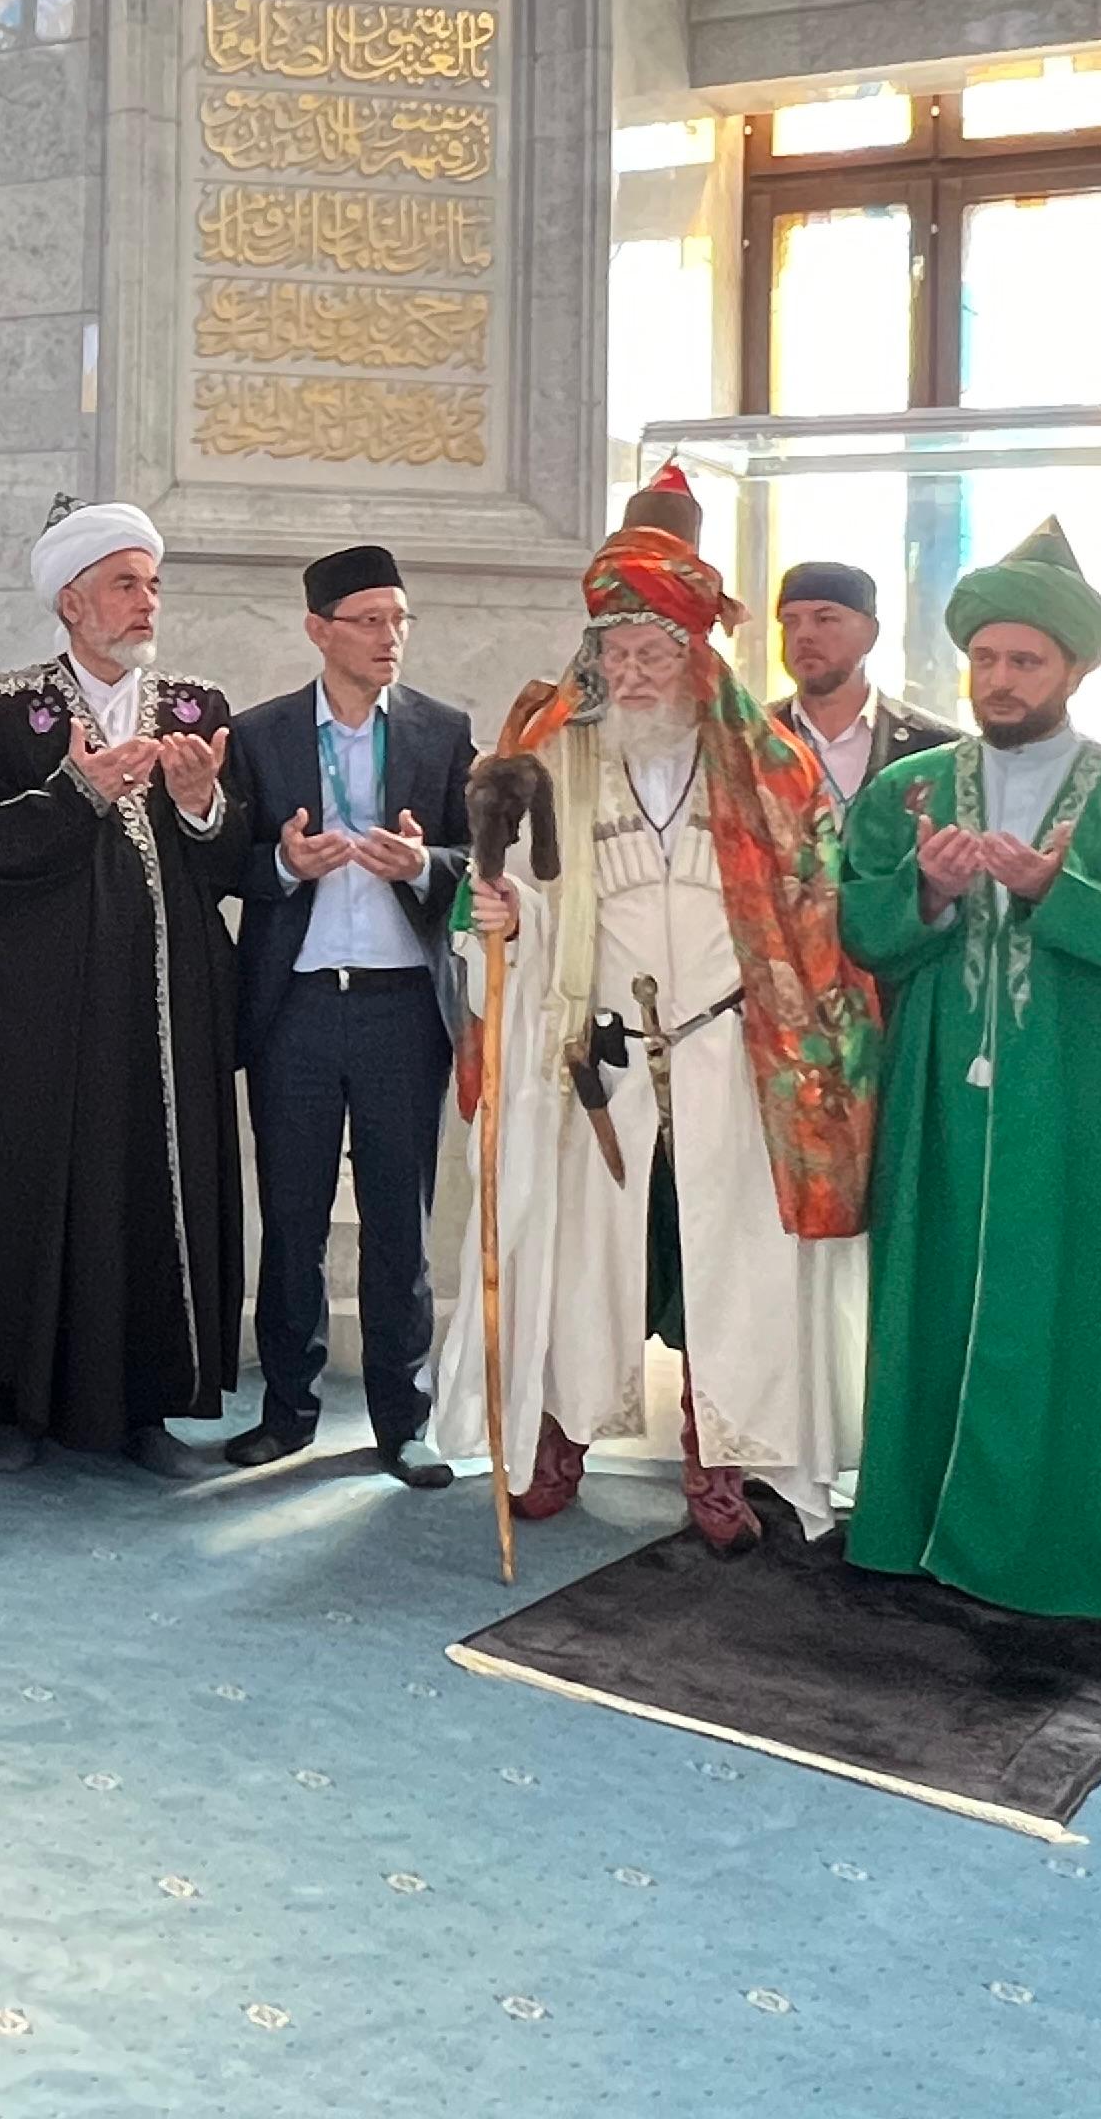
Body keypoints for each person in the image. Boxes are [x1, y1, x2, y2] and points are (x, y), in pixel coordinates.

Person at [437, 480, 879, 1549]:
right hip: (599, 1055)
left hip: (733, 1054)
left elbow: (811, 918)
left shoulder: (769, 768)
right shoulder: (556, 754)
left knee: (729, 1266)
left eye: (652, 652)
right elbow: (514, 892)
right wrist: (506, 918)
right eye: (614, 653)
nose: (631, 674)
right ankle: (561, 1437)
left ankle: (718, 1460)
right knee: (585, 1255)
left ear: (697, 654)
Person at [836, 522, 1101, 1624]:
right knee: (935, 1298)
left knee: (1076, 1311)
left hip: (1083, 1104)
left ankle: (1061, 1548)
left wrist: (1063, 895)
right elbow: (860, 929)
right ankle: (916, 1529)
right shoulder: (908, 793)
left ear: (1076, 668)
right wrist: (926, 892)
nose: (1000, 680)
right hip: (939, 1103)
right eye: (985, 658)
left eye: (1026, 661)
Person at [0, 503, 253, 1477]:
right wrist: (78, 793)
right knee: (32, 1185)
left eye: (152, 584)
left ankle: (148, 1410)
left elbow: (235, 864)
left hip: (164, 1006)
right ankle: (18, 1404)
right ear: (71, 602)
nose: (146, 602)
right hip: (36, 1013)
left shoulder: (198, 708)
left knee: (155, 1189)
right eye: (125, 584)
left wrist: (200, 803)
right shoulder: (0, 709)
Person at [222, 542, 473, 1479]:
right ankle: (286, 1412)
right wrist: (285, 864)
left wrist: (426, 866)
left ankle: (403, 1423)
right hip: (296, 1007)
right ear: (318, 631)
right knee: (291, 1220)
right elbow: (224, 863)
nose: (388, 638)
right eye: (369, 621)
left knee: (399, 1223)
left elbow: (479, 859)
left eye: (399, 620)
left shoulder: (442, 731)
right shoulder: (261, 734)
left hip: (402, 1008)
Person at [770, 561, 961, 805]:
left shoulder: (937, 747)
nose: (803, 635)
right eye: (790, 622)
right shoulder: (748, 738)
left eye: (825, 619)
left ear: (871, 633)